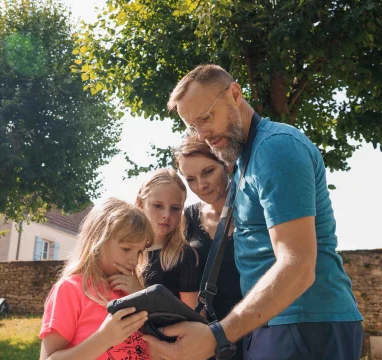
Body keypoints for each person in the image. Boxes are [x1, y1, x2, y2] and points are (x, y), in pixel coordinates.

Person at [142, 64, 363, 360]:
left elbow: (298, 265)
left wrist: (217, 334)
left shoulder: (276, 148)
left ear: (235, 94)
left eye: (206, 117)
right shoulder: (246, 162)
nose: (203, 133)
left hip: (303, 322)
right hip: (274, 323)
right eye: (193, 126)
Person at [39, 198, 154, 360]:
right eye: (126, 249)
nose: (134, 261)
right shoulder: (70, 290)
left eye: (139, 252)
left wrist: (141, 296)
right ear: (98, 241)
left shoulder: (132, 289)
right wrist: (104, 338)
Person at [175, 131, 243, 360]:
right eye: (190, 179)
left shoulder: (256, 210)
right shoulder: (185, 220)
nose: (201, 185)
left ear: (227, 164)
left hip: (260, 327)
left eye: (208, 171)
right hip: (209, 339)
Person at [135, 168, 200, 309]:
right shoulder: (125, 250)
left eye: (175, 208)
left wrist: (133, 289)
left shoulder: (183, 255)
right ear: (139, 203)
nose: (166, 215)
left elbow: (194, 316)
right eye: (158, 206)